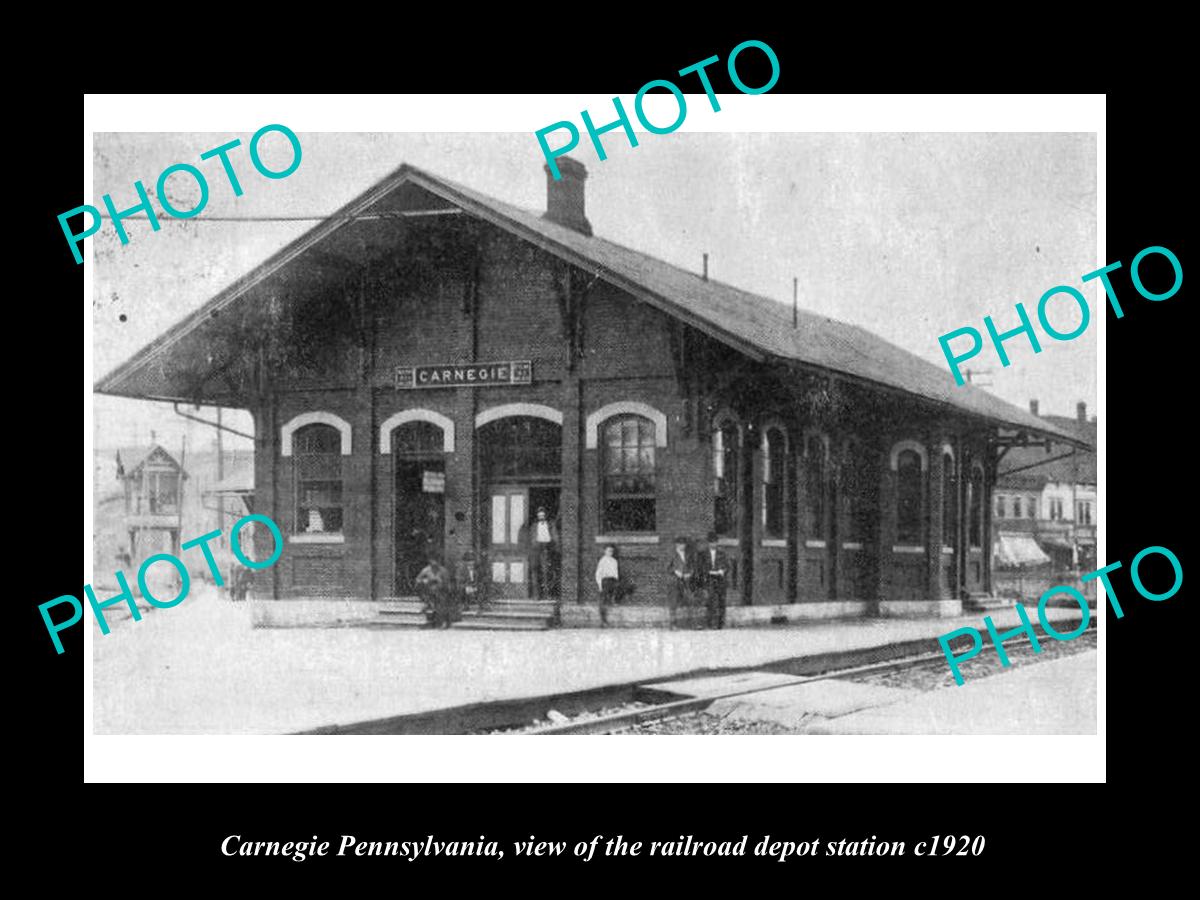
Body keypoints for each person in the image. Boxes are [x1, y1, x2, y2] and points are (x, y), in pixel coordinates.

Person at [699, 531, 731, 629]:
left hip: (720, 579)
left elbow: (727, 566)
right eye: (711, 542)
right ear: (708, 543)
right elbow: (700, 567)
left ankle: (721, 624)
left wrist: (722, 571)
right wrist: (708, 572)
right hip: (709, 579)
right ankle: (710, 623)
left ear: (717, 543)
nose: (713, 544)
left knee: (722, 601)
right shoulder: (703, 554)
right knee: (710, 600)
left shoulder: (722, 553)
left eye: (714, 542)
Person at [529, 506, 558, 600]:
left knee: (546, 572)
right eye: (539, 515)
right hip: (535, 550)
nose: (541, 516)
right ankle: (536, 595)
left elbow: (555, 537)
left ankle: (547, 594)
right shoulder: (534, 526)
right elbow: (530, 539)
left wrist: (553, 546)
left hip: (545, 548)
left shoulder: (550, 525)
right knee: (535, 572)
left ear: (545, 515)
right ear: (537, 516)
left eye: (543, 515)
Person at [415, 554, 452, 628]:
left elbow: (448, 583)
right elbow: (418, 580)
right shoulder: (426, 570)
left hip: (441, 591)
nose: (434, 563)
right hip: (429, 591)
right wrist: (424, 581)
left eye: (436, 562)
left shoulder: (443, 571)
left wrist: (441, 582)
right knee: (431, 600)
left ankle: (443, 621)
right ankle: (429, 610)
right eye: (432, 562)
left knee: (441, 603)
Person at [665, 536, 694, 628]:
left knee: (690, 599)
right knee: (673, 602)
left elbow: (692, 567)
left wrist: (689, 574)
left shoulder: (688, 555)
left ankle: (691, 623)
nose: (682, 546)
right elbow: (667, 567)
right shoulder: (671, 554)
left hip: (686, 581)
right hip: (674, 581)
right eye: (680, 544)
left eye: (684, 544)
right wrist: (675, 571)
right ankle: (673, 624)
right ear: (676, 545)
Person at [595, 545, 620, 627]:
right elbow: (598, 573)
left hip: (612, 581)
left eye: (611, 551)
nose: (610, 553)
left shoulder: (614, 561)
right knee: (603, 600)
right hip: (605, 581)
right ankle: (603, 621)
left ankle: (610, 620)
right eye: (608, 551)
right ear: (605, 551)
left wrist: (616, 582)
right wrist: (600, 585)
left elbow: (615, 573)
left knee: (612, 599)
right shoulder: (602, 561)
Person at [455, 550, 484, 617]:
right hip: (464, 587)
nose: (471, 563)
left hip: (473, 587)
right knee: (465, 591)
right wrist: (467, 586)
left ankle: (479, 608)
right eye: (469, 561)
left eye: (472, 561)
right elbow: (459, 581)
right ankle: (465, 606)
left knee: (481, 588)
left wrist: (475, 586)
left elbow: (478, 580)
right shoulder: (461, 570)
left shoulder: (475, 569)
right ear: (465, 562)